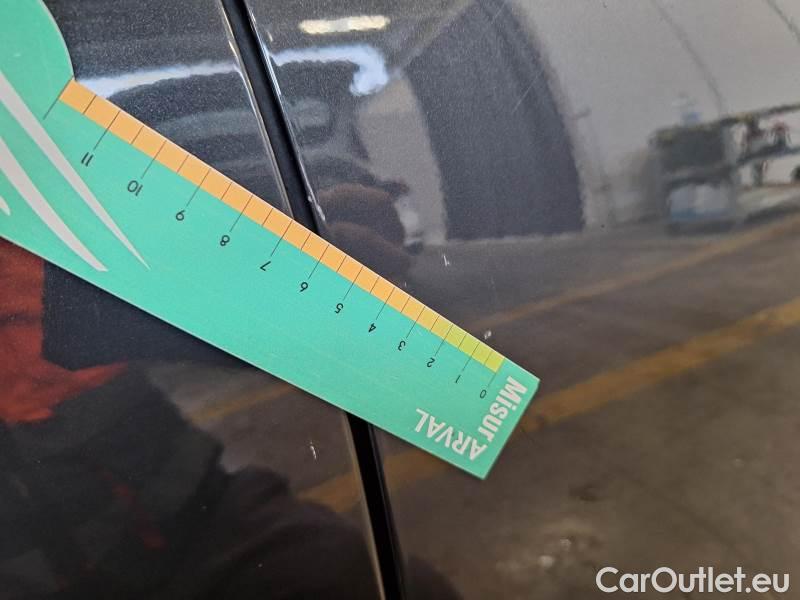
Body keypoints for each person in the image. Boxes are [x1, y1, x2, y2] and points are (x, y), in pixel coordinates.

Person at [0, 239, 459, 599]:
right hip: (40, 573)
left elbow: (171, 267)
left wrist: (298, 259)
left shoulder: (30, 199)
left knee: (378, 580)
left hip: (188, 511)